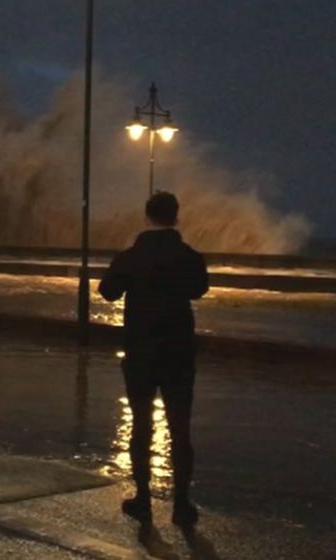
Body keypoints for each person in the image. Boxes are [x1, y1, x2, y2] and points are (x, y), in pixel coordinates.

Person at [99, 191, 208, 526]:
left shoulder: (131, 257)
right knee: (180, 428)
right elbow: (198, 289)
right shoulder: (189, 256)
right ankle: (182, 504)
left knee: (142, 426)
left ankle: (143, 499)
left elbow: (108, 291)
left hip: (142, 353)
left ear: (147, 217)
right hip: (178, 352)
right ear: (176, 217)